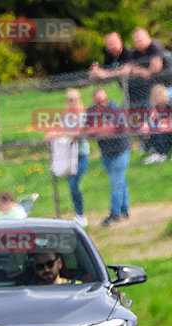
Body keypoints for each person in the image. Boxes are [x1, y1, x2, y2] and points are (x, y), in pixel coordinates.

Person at [46, 89, 90, 227]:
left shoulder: (83, 115)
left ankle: (81, 214)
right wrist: (52, 133)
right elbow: (61, 129)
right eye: (69, 99)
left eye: (74, 99)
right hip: (68, 155)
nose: (71, 102)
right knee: (72, 185)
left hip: (81, 154)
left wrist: (57, 134)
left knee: (73, 183)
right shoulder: (66, 116)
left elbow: (77, 132)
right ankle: (78, 214)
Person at [88, 90, 131, 226]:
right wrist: (99, 130)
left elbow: (111, 128)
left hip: (121, 151)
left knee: (117, 182)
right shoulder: (91, 111)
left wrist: (97, 130)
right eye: (99, 102)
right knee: (120, 180)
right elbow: (86, 131)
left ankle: (114, 214)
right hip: (106, 152)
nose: (102, 104)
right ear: (94, 102)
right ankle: (124, 209)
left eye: (104, 100)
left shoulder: (114, 109)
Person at [141, 84, 172, 164]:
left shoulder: (170, 105)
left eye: (160, 95)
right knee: (147, 128)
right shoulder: (153, 108)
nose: (158, 98)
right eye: (156, 96)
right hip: (161, 131)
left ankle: (162, 153)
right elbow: (148, 121)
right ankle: (158, 153)